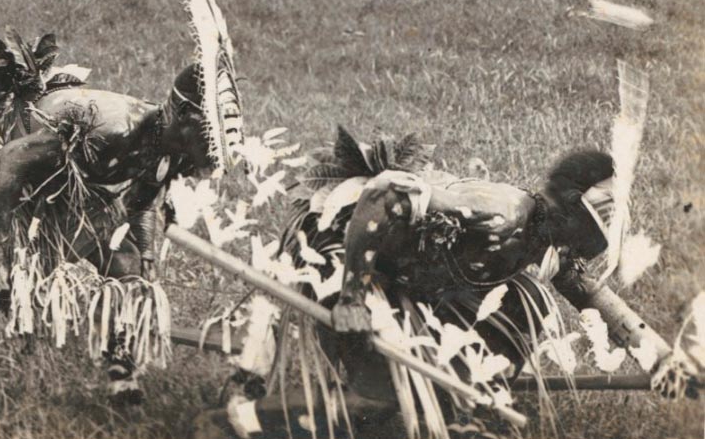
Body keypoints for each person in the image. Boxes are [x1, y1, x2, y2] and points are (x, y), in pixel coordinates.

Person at [0, 0, 244, 406]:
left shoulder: (171, 149)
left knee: (126, 276)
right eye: (208, 136)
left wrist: (144, 255)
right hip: (11, 173)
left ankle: (121, 382)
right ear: (181, 116)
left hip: (74, 184)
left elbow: (140, 203)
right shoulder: (112, 127)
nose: (211, 153)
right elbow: (12, 162)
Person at [209, 132, 698, 438]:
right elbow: (385, 192)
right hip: (344, 254)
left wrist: (658, 357)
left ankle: (454, 395)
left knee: (527, 303)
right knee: (377, 402)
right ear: (568, 209)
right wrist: (354, 296)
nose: (593, 248)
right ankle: (238, 418)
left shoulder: (540, 239)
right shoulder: (501, 216)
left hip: (405, 277)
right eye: (594, 231)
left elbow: (588, 292)